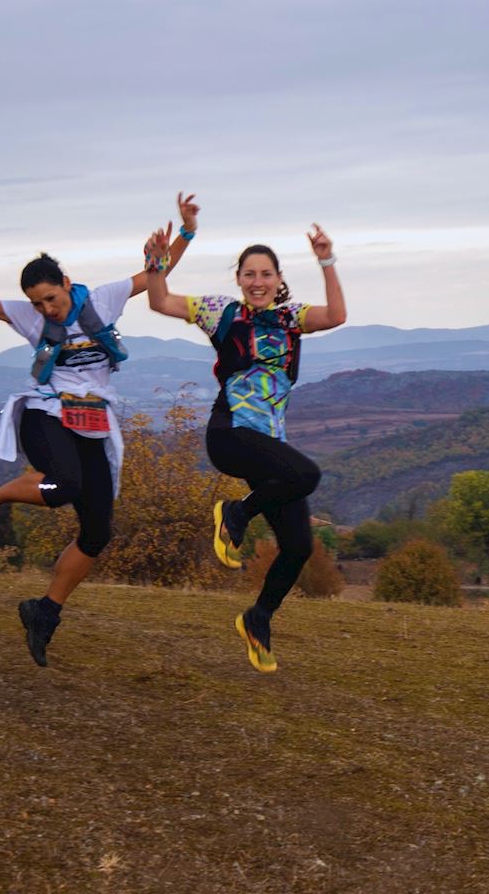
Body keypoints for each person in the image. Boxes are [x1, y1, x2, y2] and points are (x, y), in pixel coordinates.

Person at [0, 193, 200, 667]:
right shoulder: (29, 316)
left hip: (91, 421)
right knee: (64, 484)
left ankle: (44, 611)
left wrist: (187, 233)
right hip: (44, 413)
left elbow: (153, 274)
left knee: (97, 533)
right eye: (37, 302)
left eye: (50, 298)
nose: (45, 309)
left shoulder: (105, 299)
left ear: (67, 284)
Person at [142, 221, 346, 672]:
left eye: (266, 274)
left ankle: (258, 619)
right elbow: (160, 300)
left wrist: (327, 260)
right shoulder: (222, 313)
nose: (257, 282)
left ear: (278, 279)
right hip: (230, 434)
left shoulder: (292, 319)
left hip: (269, 445)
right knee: (308, 474)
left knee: (298, 545)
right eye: (249, 274)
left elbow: (335, 316)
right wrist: (156, 262)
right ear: (238, 279)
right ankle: (236, 514)